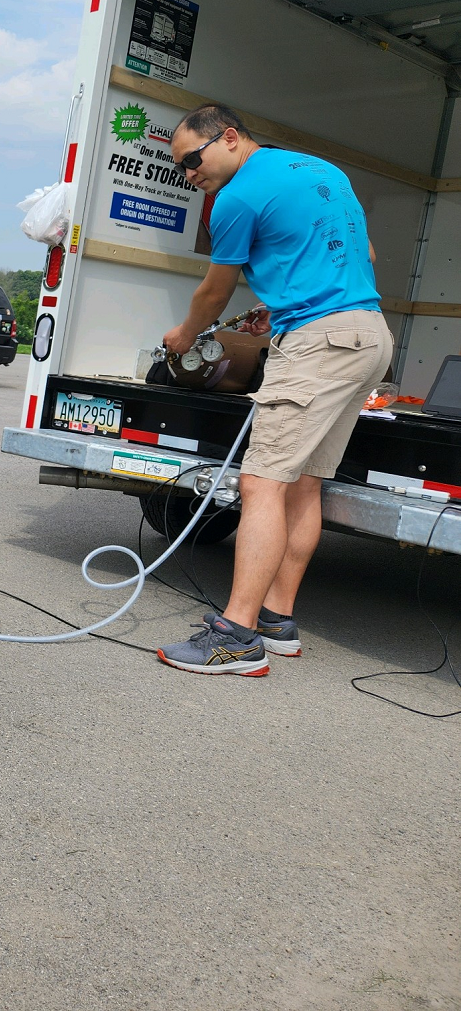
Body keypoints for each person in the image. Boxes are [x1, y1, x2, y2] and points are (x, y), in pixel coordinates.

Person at [156, 104, 391, 676]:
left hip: (319, 345)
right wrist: (279, 306)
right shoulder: (321, 172)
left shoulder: (236, 198)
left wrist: (183, 339)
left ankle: (236, 636)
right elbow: (363, 256)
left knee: (261, 482)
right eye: (181, 169)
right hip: (367, 335)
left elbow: (213, 295)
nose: (190, 175)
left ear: (230, 137)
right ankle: (275, 620)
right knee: (303, 483)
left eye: (193, 160)